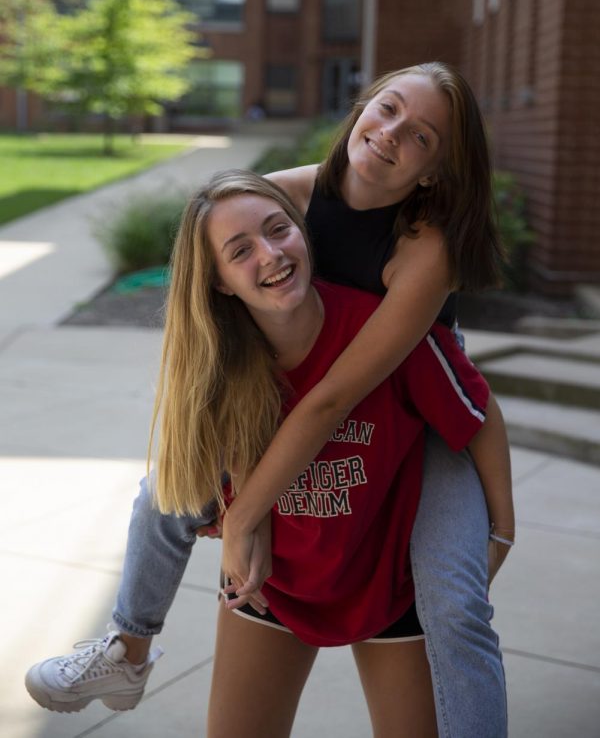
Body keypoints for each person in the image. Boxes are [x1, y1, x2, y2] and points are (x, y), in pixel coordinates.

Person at [25, 63, 515, 736]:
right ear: (363, 105)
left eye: (422, 135)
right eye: (389, 108)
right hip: (288, 423)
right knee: (163, 495)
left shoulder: (422, 248)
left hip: (406, 415)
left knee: (456, 601)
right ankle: (128, 648)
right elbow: (209, 346)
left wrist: (244, 513)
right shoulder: (279, 202)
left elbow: (339, 396)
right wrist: (221, 483)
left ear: (432, 172)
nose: (392, 133)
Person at [156, 170, 511, 737]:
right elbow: (195, 474)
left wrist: (503, 528)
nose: (270, 255)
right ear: (219, 281)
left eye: (278, 230)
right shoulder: (218, 361)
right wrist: (237, 517)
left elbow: (476, 411)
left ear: (303, 230)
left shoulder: (386, 332)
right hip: (272, 586)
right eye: (240, 250)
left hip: (389, 587)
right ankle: (124, 642)